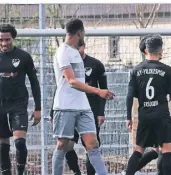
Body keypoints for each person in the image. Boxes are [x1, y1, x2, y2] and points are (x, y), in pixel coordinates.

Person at [51, 18, 115, 175]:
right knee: (62, 145)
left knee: (92, 143)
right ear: (80, 32)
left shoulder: (75, 52)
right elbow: (71, 81)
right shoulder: (63, 51)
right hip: (65, 106)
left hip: (83, 107)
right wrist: (98, 91)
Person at [0, 23, 41, 175]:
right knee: (3, 144)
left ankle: (21, 172)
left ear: (13, 38)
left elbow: (35, 82)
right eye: (1, 40)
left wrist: (38, 108)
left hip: (19, 104)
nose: (4, 43)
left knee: (20, 142)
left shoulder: (24, 57)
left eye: (7, 39)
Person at [125, 35, 171, 175]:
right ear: (160, 50)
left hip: (144, 115)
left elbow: (130, 95)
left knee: (139, 149)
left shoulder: (136, 70)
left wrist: (128, 117)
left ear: (146, 50)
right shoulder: (167, 70)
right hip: (161, 115)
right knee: (165, 149)